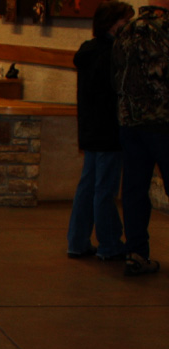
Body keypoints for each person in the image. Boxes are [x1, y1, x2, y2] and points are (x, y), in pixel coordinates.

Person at [67, 1, 133, 261]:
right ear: (113, 23)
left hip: (90, 127)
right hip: (109, 129)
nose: (128, 26)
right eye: (125, 21)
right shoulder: (114, 53)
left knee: (87, 186)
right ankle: (109, 243)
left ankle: (77, 241)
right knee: (105, 189)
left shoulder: (88, 50)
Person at [113, 0, 169, 275]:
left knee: (134, 190)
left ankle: (135, 253)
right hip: (162, 121)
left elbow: (116, 73)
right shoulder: (165, 29)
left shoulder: (127, 29)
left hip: (130, 120)